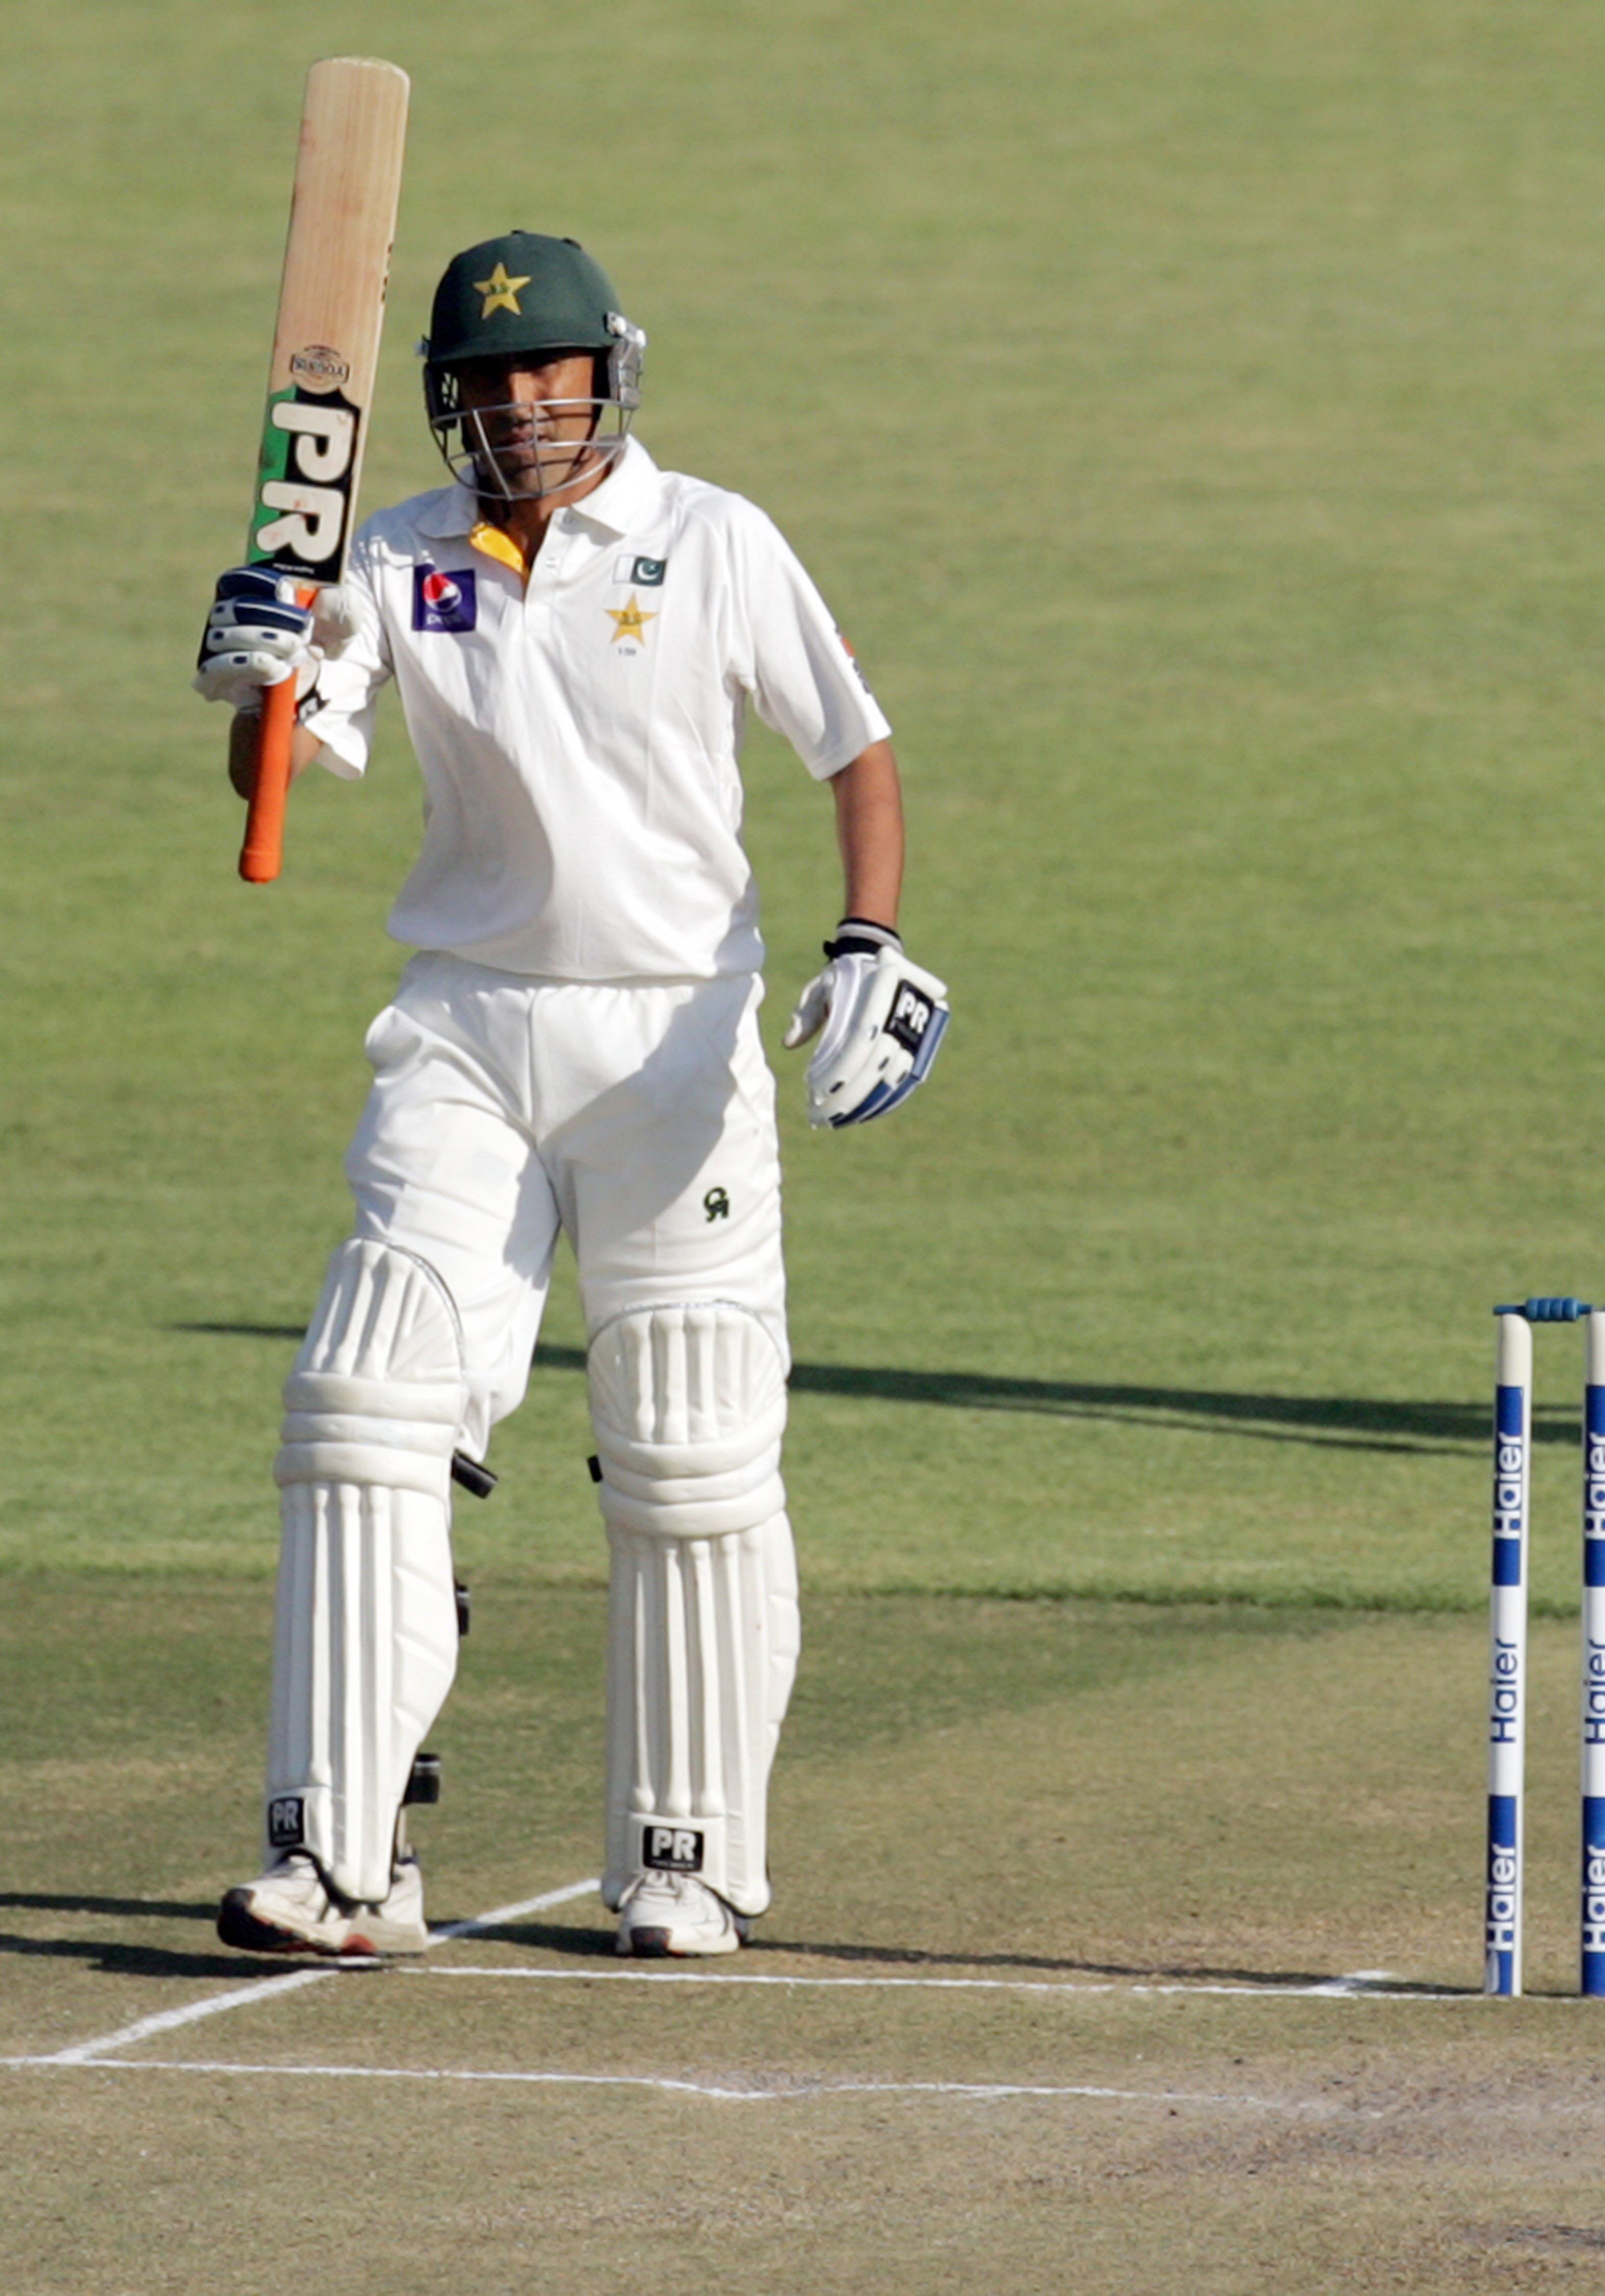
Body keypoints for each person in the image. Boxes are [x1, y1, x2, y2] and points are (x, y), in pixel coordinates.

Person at [193, 231, 949, 1959]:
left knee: (687, 1442)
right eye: (493, 380)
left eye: (554, 373)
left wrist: (868, 942)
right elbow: (280, 777)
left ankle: (685, 1860)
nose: (529, 406)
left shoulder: (713, 539)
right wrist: (263, 679)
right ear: (451, 400)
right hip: (467, 1025)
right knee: (367, 1401)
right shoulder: (394, 554)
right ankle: (342, 1857)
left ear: (610, 372)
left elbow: (855, 747)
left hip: (676, 1037)